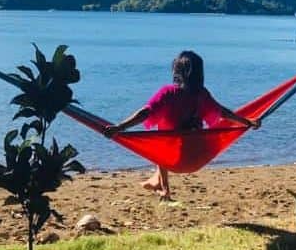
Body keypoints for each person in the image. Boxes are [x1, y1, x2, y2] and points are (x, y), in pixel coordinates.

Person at [103, 51, 259, 200]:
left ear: (177, 72)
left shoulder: (168, 93)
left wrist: (120, 127)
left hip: (174, 160)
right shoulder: (202, 94)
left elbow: (145, 113)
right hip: (197, 157)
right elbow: (224, 113)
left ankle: (164, 187)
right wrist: (247, 122)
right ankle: (159, 183)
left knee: (161, 136)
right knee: (171, 134)